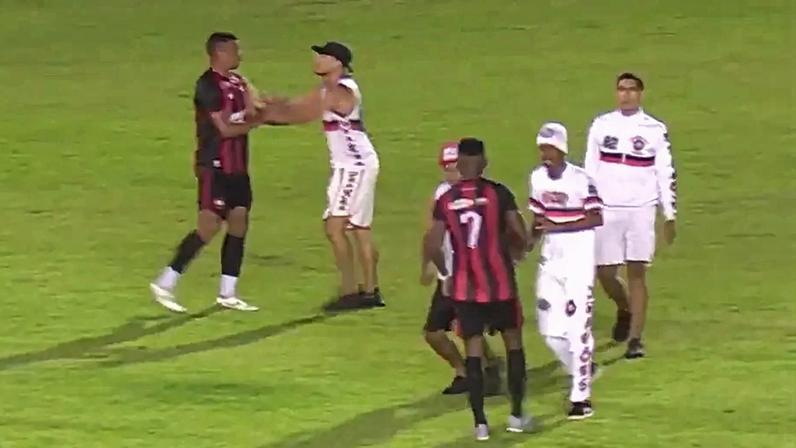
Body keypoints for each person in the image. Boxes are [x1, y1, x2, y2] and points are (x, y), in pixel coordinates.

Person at [261, 41, 383, 310]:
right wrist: (271, 106)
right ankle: (371, 291)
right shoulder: (328, 89)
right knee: (359, 230)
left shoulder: (340, 91)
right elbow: (296, 106)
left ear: (338, 62)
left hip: (354, 166)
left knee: (335, 227)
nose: (317, 59)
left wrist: (259, 115)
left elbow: (299, 114)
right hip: (354, 164)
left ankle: (351, 292)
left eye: (323, 56)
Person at [423, 138, 530, 441]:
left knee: (472, 349)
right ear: (484, 162)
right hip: (500, 285)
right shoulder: (498, 193)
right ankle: (517, 414)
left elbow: (432, 243)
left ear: (458, 164)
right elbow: (519, 234)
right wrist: (518, 251)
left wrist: (446, 269)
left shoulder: (446, 200)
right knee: (513, 345)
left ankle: (480, 424)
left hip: (466, 287)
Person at [149, 32, 261, 313]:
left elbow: (256, 107)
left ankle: (227, 293)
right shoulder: (208, 85)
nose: (240, 55)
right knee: (209, 226)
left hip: (238, 166)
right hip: (215, 165)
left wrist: (252, 97)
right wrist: (254, 124)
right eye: (235, 50)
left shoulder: (237, 81)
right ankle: (165, 282)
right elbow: (224, 128)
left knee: (239, 221)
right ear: (219, 53)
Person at [584, 73, 677, 358]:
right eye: (621, 89)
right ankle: (624, 308)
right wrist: (589, 202)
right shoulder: (602, 125)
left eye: (631, 90)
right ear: (616, 93)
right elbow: (590, 166)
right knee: (605, 273)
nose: (626, 94)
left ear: (640, 94)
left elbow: (665, 172)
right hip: (608, 208)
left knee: (636, 272)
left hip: (641, 209)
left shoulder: (654, 129)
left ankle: (635, 339)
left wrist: (669, 212)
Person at [528, 122, 602, 419]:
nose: (545, 154)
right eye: (541, 148)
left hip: (578, 262)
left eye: (550, 148)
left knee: (577, 329)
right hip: (551, 260)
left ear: (562, 149)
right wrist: (525, 247)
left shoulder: (581, 180)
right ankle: (584, 369)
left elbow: (596, 218)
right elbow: (537, 219)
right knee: (550, 333)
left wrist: (558, 226)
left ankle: (581, 399)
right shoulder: (536, 179)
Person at [420, 142, 501, 396]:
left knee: (468, 326)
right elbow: (430, 234)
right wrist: (429, 266)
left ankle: (488, 371)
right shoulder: (441, 194)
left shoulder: (482, 193)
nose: (451, 173)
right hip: (449, 274)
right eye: (447, 168)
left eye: (455, 167)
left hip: (474, 272)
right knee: (434, 333)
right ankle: (465, 370)